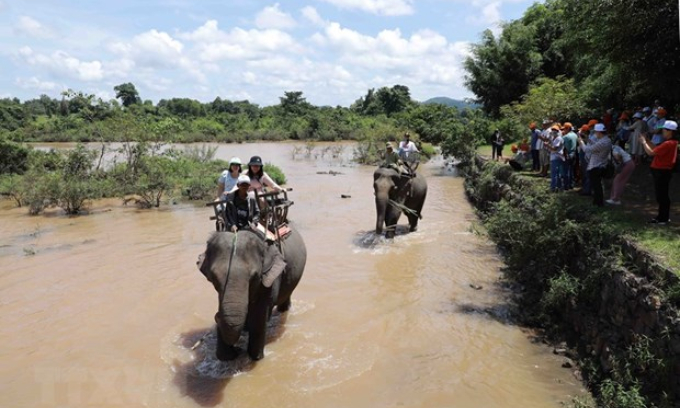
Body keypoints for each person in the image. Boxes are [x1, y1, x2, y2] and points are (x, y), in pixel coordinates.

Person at [638, 120, 678, 224]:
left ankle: (663, 219)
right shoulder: (671, 142)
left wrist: (643, 142)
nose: (662, 132)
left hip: (661, 172)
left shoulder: (668, 143)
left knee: (661, 196)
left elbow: (651, 153)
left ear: (670, 131)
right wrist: (647, 141)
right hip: (664, 172)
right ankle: (662, 217)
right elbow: (656, 149)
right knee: (662, 195)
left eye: (663, 130)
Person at [578, 123, 612, 207]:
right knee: (597, 186)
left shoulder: (603, 143)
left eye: (596, 132)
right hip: (599, 165)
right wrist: (587, 139)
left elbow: (587, 149)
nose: (595, 134)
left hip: (596, 166)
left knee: (597, 187)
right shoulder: (606, 140)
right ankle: (597, 202)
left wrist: (581, 142)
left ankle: (598, 203)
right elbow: (595, 144)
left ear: (599, 132)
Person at [547, 125, 565, 192]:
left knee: (554, 174)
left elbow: (555, 148)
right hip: (554, 157)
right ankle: (559, 187)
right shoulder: (554, 138)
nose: (553, 132)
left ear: (557, 131)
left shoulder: (559, 138)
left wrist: (547, 145)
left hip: (556, 157)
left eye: (555, 130)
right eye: (552, 130)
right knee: (557, 174)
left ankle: (553, 188)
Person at [561, 123, 578, 190]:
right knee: (571, 170)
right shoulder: (575, 135)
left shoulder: (566, 137)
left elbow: (562, 146)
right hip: (574, 154)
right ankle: (571, 184)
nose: (563, 130)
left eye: (564, 128)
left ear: (567, 128)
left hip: (567, 154)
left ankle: (566, 186)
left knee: (566, 170)